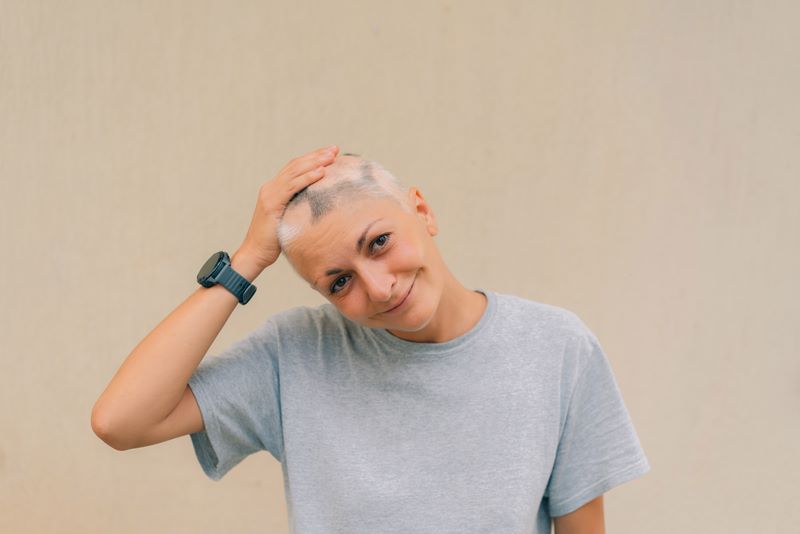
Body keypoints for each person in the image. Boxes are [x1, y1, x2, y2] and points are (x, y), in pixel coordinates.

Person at [91, 145, 650, 533]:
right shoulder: (296, 354)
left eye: (379, 242)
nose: (379, 288)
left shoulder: (557, 349)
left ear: (422, 210)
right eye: (339, 282)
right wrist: (247, 261)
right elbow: (121, 421)